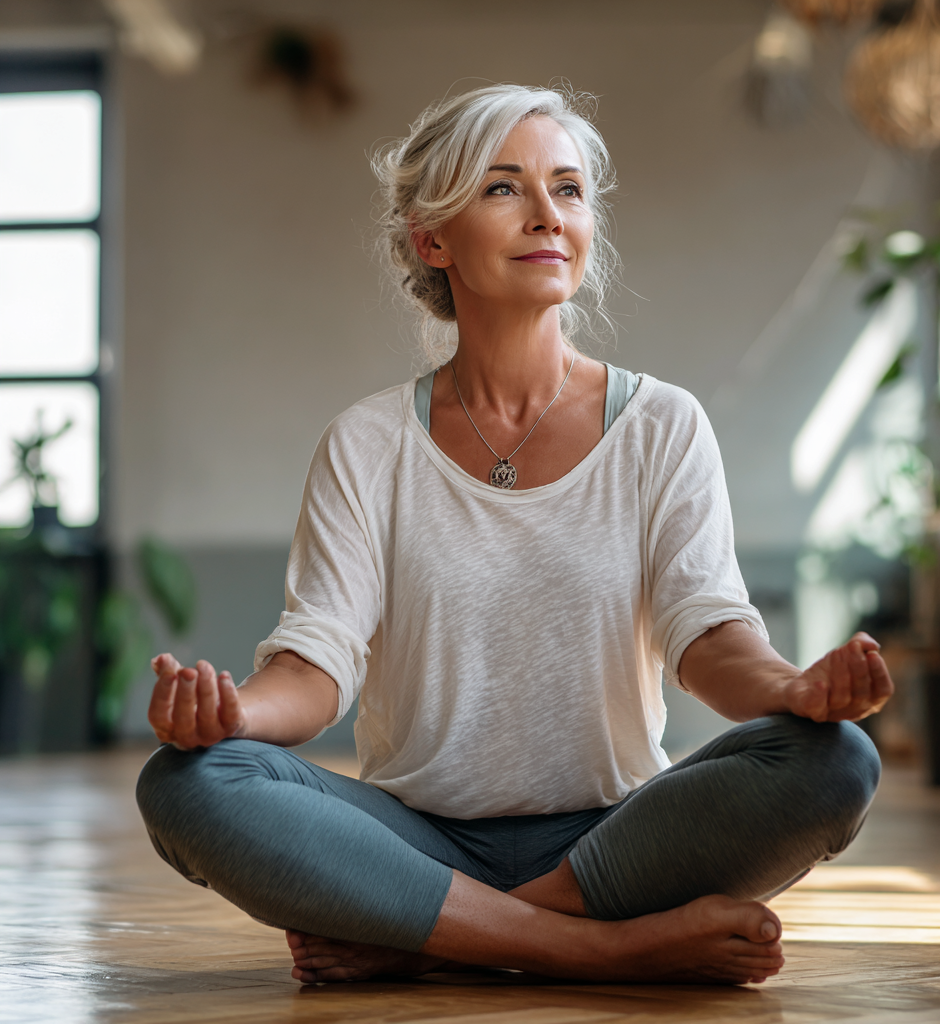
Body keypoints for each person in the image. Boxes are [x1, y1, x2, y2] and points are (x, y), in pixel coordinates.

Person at [136, 84, 891, 987]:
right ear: (432, 239)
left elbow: (709, 635)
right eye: (504, 189)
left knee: (836, 758)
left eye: (568, 190)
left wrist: (794, 687)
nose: (547, 215)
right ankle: (605, 949)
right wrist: (230, 718)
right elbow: (314, 664)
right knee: (187, 784)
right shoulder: (368, 442)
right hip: (414, 835)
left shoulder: (663, 426)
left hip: (614, 838)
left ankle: (433, 931)